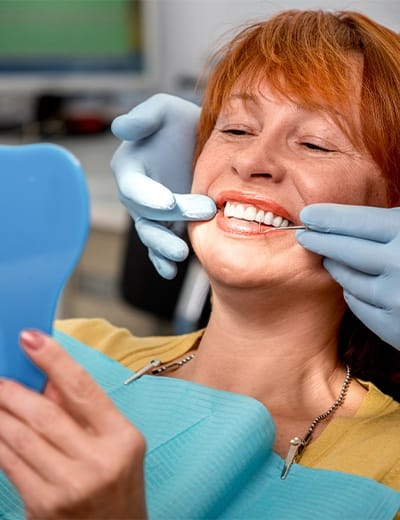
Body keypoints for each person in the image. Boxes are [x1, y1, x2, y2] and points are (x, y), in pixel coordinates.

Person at [0, 8, 399, 519]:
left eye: (315, 142)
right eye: (234, 129)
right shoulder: (59, 347)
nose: (252, 161)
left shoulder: (388, 471)